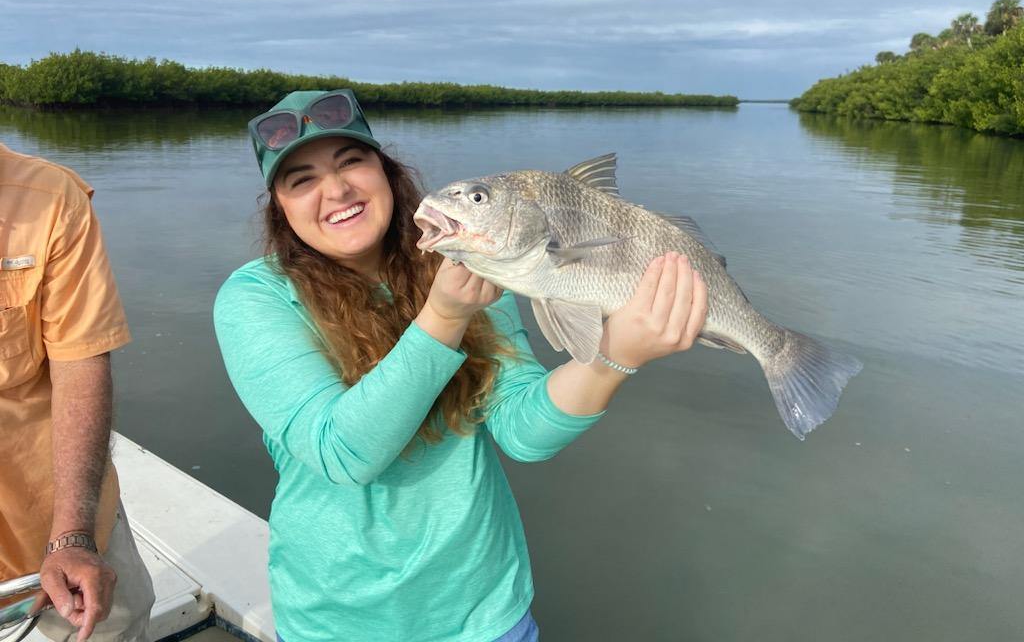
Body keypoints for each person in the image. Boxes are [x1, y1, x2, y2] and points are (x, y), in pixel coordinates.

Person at [213, 90, 708, 642]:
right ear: (279, 208)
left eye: (352, 161)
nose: (336, 190)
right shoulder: (256, 298)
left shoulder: (471, 258)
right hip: (339, 621)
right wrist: (444, 315)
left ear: (387, 172)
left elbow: (522, 431)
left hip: (489, 614)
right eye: (301, 180)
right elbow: (341, 454)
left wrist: (617, 357)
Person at [0, 144, 154, 642]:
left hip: (46, 497)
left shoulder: (50, 197)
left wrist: (72, 536)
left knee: (113, 620)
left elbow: (81, 362)